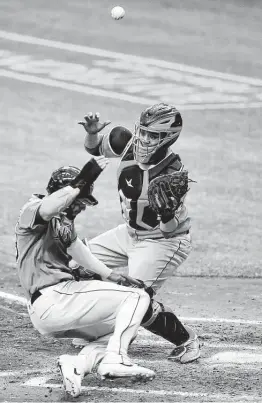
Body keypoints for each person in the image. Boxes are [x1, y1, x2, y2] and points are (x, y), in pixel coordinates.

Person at [15, 157, 155, 398]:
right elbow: (48, 208)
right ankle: (116, 359)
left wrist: (113, 276)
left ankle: (78, 365)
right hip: (54, 298)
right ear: (65, 194)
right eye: (80, 201)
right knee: (137, 297)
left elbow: (76, 249)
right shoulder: (33, 209)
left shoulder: (63, 223)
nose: (82, 207)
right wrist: (81, 182)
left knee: (120, 328)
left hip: (51, 310)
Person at [77, 103, 200, 363]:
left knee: (135, 299)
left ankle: (186, 340)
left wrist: (166, 212)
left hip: (162, 241)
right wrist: (91, 132)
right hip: (129, 234)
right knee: (76, 264)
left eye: (153, 136)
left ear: (168, 138)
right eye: (143, 132)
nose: (144, 139)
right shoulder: (125, 142)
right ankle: (101, 328)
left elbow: (169, 229)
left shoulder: (171, 173)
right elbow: (94, 147)